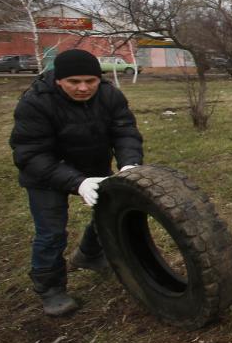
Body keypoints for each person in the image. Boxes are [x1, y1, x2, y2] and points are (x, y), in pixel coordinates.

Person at [9, 49, 143, 316]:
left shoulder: (109, 95)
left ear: (99, 79)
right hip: (45, 176)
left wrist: (129, 163)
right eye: (74, 82)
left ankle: (90, 255)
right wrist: (76, 182)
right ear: (59, 80)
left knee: (107, 214)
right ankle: (51, 289)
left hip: (92, 166)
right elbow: (30, 154)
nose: (83, 88)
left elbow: (124, 130)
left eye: (90, 81)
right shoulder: (35, 102)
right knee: (51, 233)